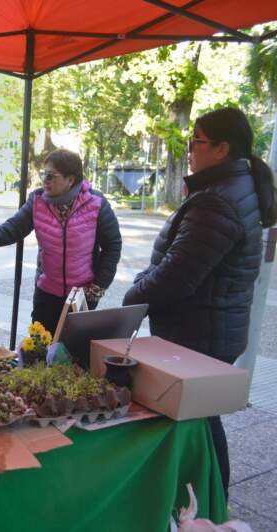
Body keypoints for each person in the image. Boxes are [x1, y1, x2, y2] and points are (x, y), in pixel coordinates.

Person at [123, 107, 277, 499]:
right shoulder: (232, 188)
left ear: (222, 148)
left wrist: (133, 296)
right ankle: (207, 501)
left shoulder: (217, 201)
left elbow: (177, 274)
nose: (189, 149)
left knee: (199, 425)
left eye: (197, 141)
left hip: (198, 335)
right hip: (213, 330)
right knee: (202, 421)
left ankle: (207, 504)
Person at [0, 148, 122, 336]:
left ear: (70, 180)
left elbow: (112, 246)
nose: (45, 181)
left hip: (82, 295)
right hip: (46, 294)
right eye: (44, 175)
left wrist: (98, 286)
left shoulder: (96, 203)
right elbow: (9, 231)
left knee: (75, 355)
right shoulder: (37, 201)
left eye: (51, 176)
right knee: (40, 353)